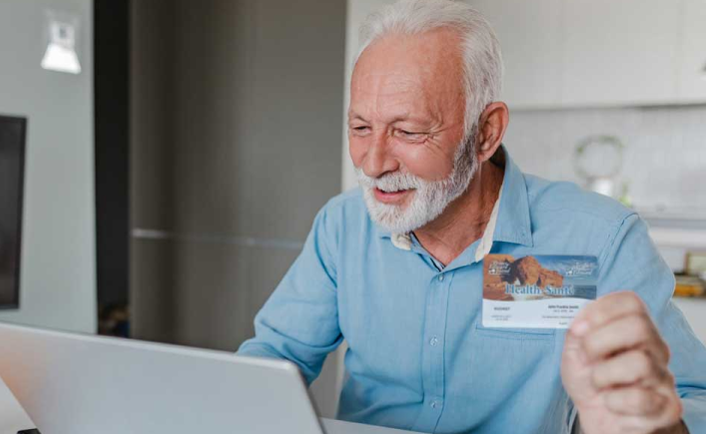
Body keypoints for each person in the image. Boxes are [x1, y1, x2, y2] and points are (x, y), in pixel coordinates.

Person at [237, 1, 706, 433]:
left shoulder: (598, 239)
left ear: (486, 133)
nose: (373, 162)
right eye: (360, 128)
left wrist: (653, 420)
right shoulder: (343, 227)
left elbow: (691, 400)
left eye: (408, 131)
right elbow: (272, 361)